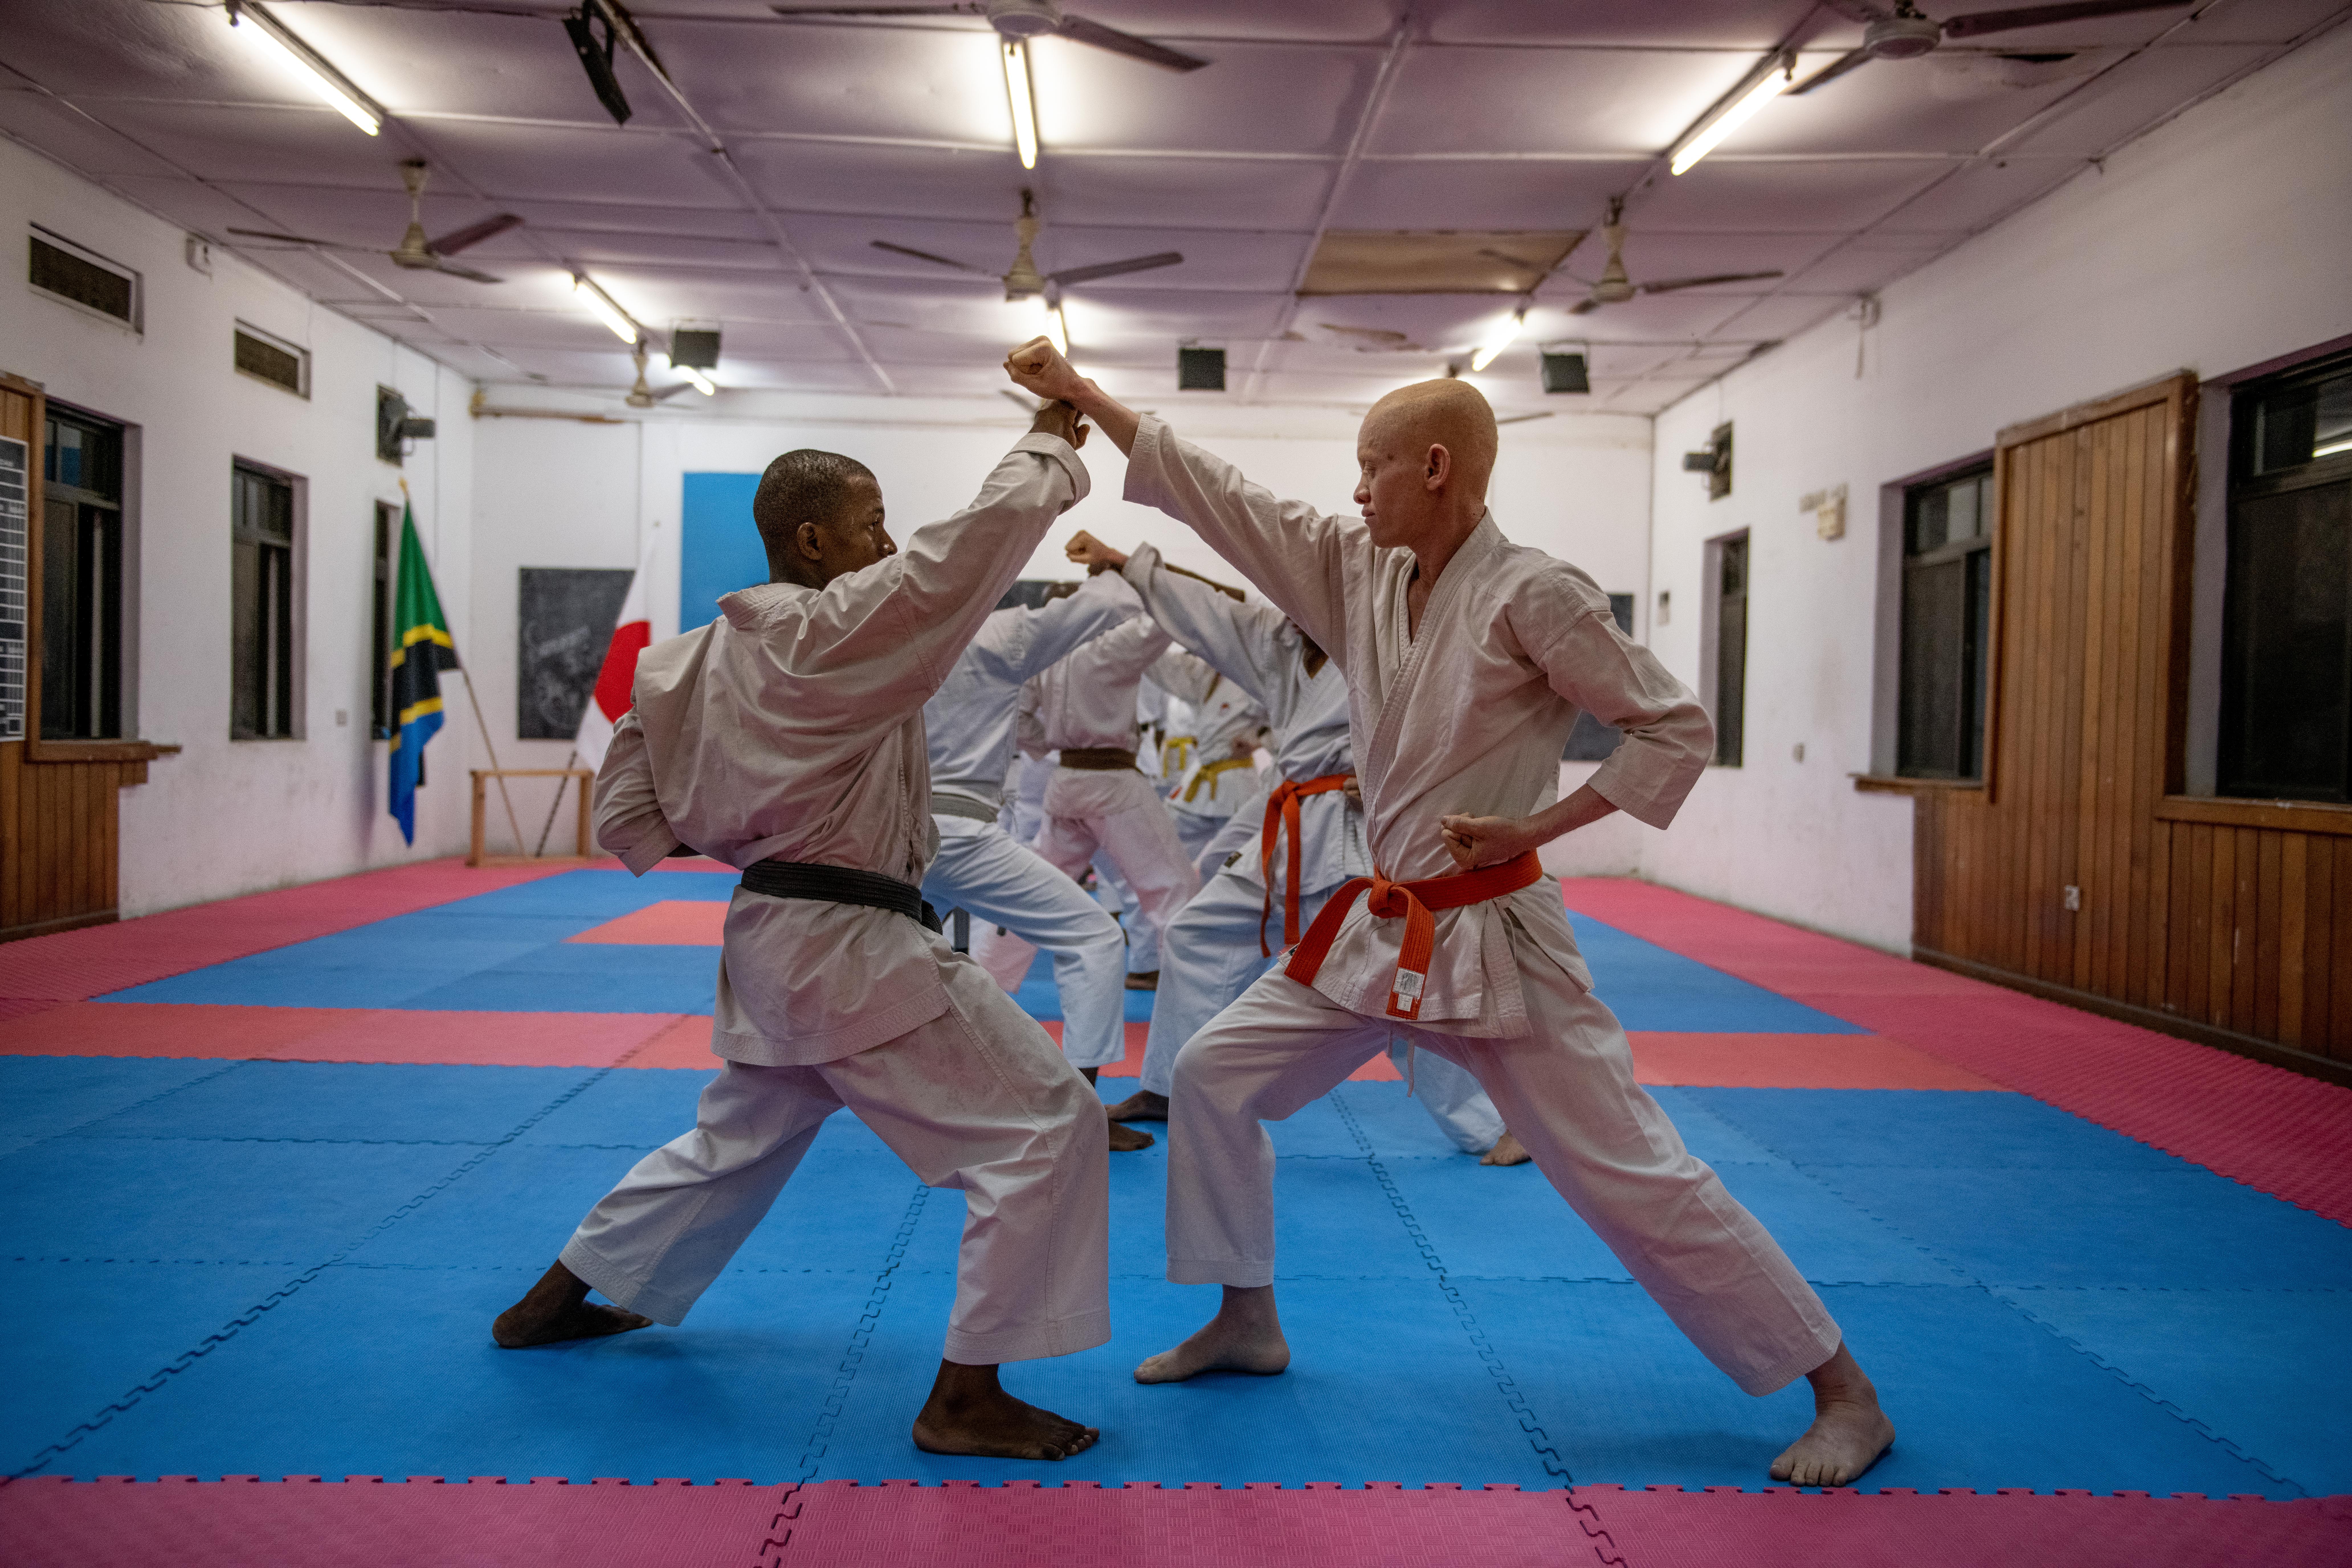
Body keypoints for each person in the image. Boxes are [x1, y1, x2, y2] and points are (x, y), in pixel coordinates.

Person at [1003, 340, 1897, 1488]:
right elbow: (1222, 498)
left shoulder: (1538, 592)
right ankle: (1245, 1316)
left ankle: (1844, 1389)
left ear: (1436, 467)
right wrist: (1087, 400)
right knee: (1217, 1076)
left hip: (1499, 937)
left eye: (1371, 468)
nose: (1355, 489)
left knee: (1633, 1172)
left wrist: (1543, 824)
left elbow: (1675, 725)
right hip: (1379, 925)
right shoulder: (1354, 573)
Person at [492, 405, 1110, 1463]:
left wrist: (766, 824)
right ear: (812, 539)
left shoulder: (683, 663)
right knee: (1051, 1125)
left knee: (731, 1143)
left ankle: (549, 1302)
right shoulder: (829, 630)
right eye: (870, 520)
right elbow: (957, 557)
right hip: (855, 944)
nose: (883, 539)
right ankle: (964, 1397)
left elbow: (628, 823)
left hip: (769, 930)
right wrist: (1052, 441)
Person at [1078, 529, 1528, 1166]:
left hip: (1354, 837)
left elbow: (1453, 729)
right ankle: (1167, 1087)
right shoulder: (1277, 643)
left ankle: (1499, 1123)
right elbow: (1211, 616)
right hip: (1288, 826)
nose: (1293, 603)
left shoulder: (1393, 645)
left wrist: (1379, 781)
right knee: (1196, 932)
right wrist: (1130, 565)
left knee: (1398, 988)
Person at [921, 571, 1157, 1152]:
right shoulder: (1002, 634)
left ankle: (924, 1093)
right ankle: (1083, 1110)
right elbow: (1115, 601)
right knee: (1096, 938)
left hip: (899, 831)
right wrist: (1114, 565)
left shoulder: (903, 633)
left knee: (891, 962)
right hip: (963, 833)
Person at [1021, 601, 1201, 990]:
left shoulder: (1044, 659)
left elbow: (1017, 717)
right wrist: (1138, 578)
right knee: (1170, 886)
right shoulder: (1111, 647)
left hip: (1066, 777)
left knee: (1031, 889)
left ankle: (992, 973)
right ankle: (1184, 984)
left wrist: (1053, 745)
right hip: (1113, 780)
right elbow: (1163, 620)